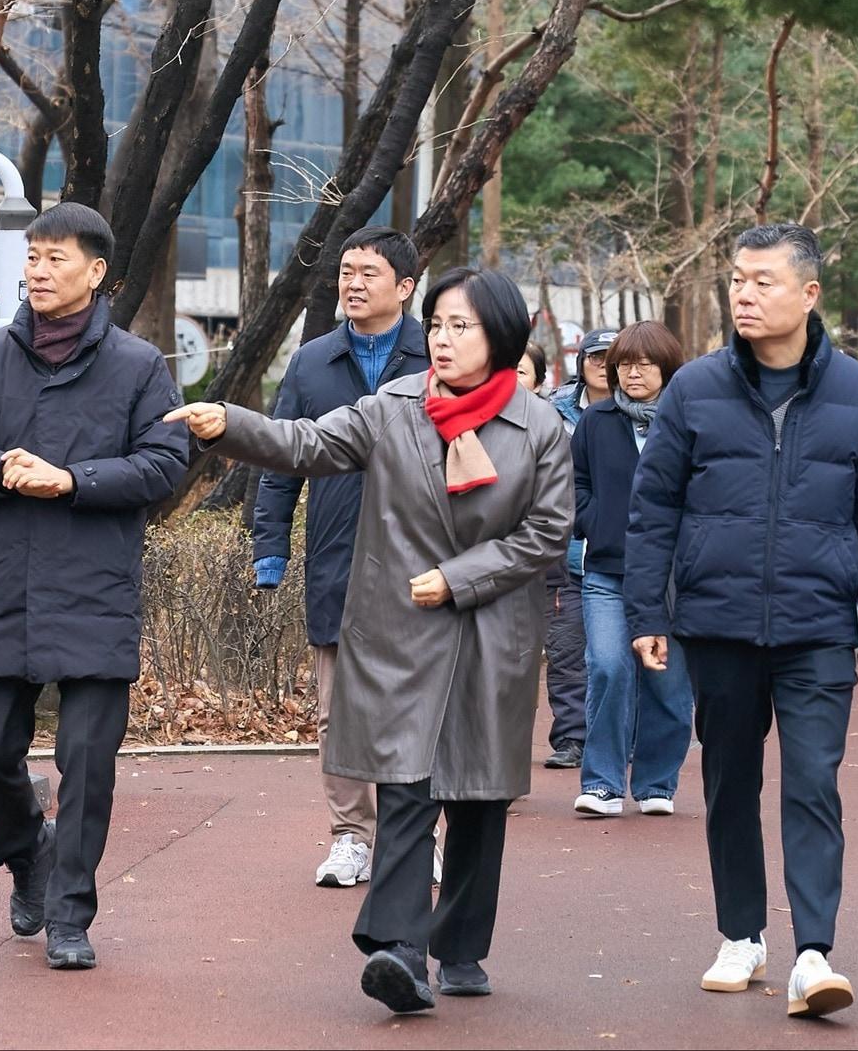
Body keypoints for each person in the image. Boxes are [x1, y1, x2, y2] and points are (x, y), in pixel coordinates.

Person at [167, 267, 574, 1015]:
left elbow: (547, 532)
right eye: (439, 325)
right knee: (408, 783)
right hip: (401, 631)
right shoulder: (393, 407)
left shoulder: (540, 424)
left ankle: (459, 945)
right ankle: (399, 950)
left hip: (491, 633)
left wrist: (460, 577)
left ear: (503, 337)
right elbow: (307, 443)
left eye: (463, 327)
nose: (444, 340)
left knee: (478, 798)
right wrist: (229, 422)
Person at [623, 223, 858, 1018]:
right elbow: (654, 509)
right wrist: (649, 609)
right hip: (717, 623)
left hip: (819, 628)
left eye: (762, 281)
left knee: (814, 783)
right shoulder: (695, 388)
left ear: (808, 294)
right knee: (730, 781)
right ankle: (742, 934)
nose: (743, 294)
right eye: (737, 280)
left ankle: (814, 952)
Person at [0, 202, 189, 972]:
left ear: (96, 272)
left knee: (87, 762)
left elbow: (166, 465)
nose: (38, 270)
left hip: (95, 591)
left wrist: (73, 479)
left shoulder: (139, 366)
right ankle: (27, 856)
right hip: (8, 585)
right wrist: (1, 468)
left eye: (55, 258)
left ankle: (70, 916)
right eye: (32, 257)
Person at [251, 226, 430, 889]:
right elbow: (278, 458)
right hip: (336, 559)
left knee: (417, 706)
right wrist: (270, 548)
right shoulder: (312, 361)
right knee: (339, 711)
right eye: (346, 271)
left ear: (405, 287)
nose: (352, 283)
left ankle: (416, 836)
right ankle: (351, 836)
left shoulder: (434, 357)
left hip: (420, 564)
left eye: (369, 273)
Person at [569, 321, 691, 817]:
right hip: (607, 570)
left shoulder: (686, 422)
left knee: (667, 679)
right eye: (623, 363)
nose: (632, 372)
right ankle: (601, 783)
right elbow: (574, 484)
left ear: (667, 367)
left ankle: (657, 783)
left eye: (644, 362)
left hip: (672, 579)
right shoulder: (597, 422)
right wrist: (595, 521)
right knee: (609, 666)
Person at [541, 330, 615, 771]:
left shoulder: (646, 411)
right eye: (596, 356)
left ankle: (620, 737)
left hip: (617, 553)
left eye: (613, 356)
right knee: (567, 652)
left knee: (615, 658)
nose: (604, 365)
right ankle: (571, 737)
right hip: (563, 554)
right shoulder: (553, 411)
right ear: (581, 361)